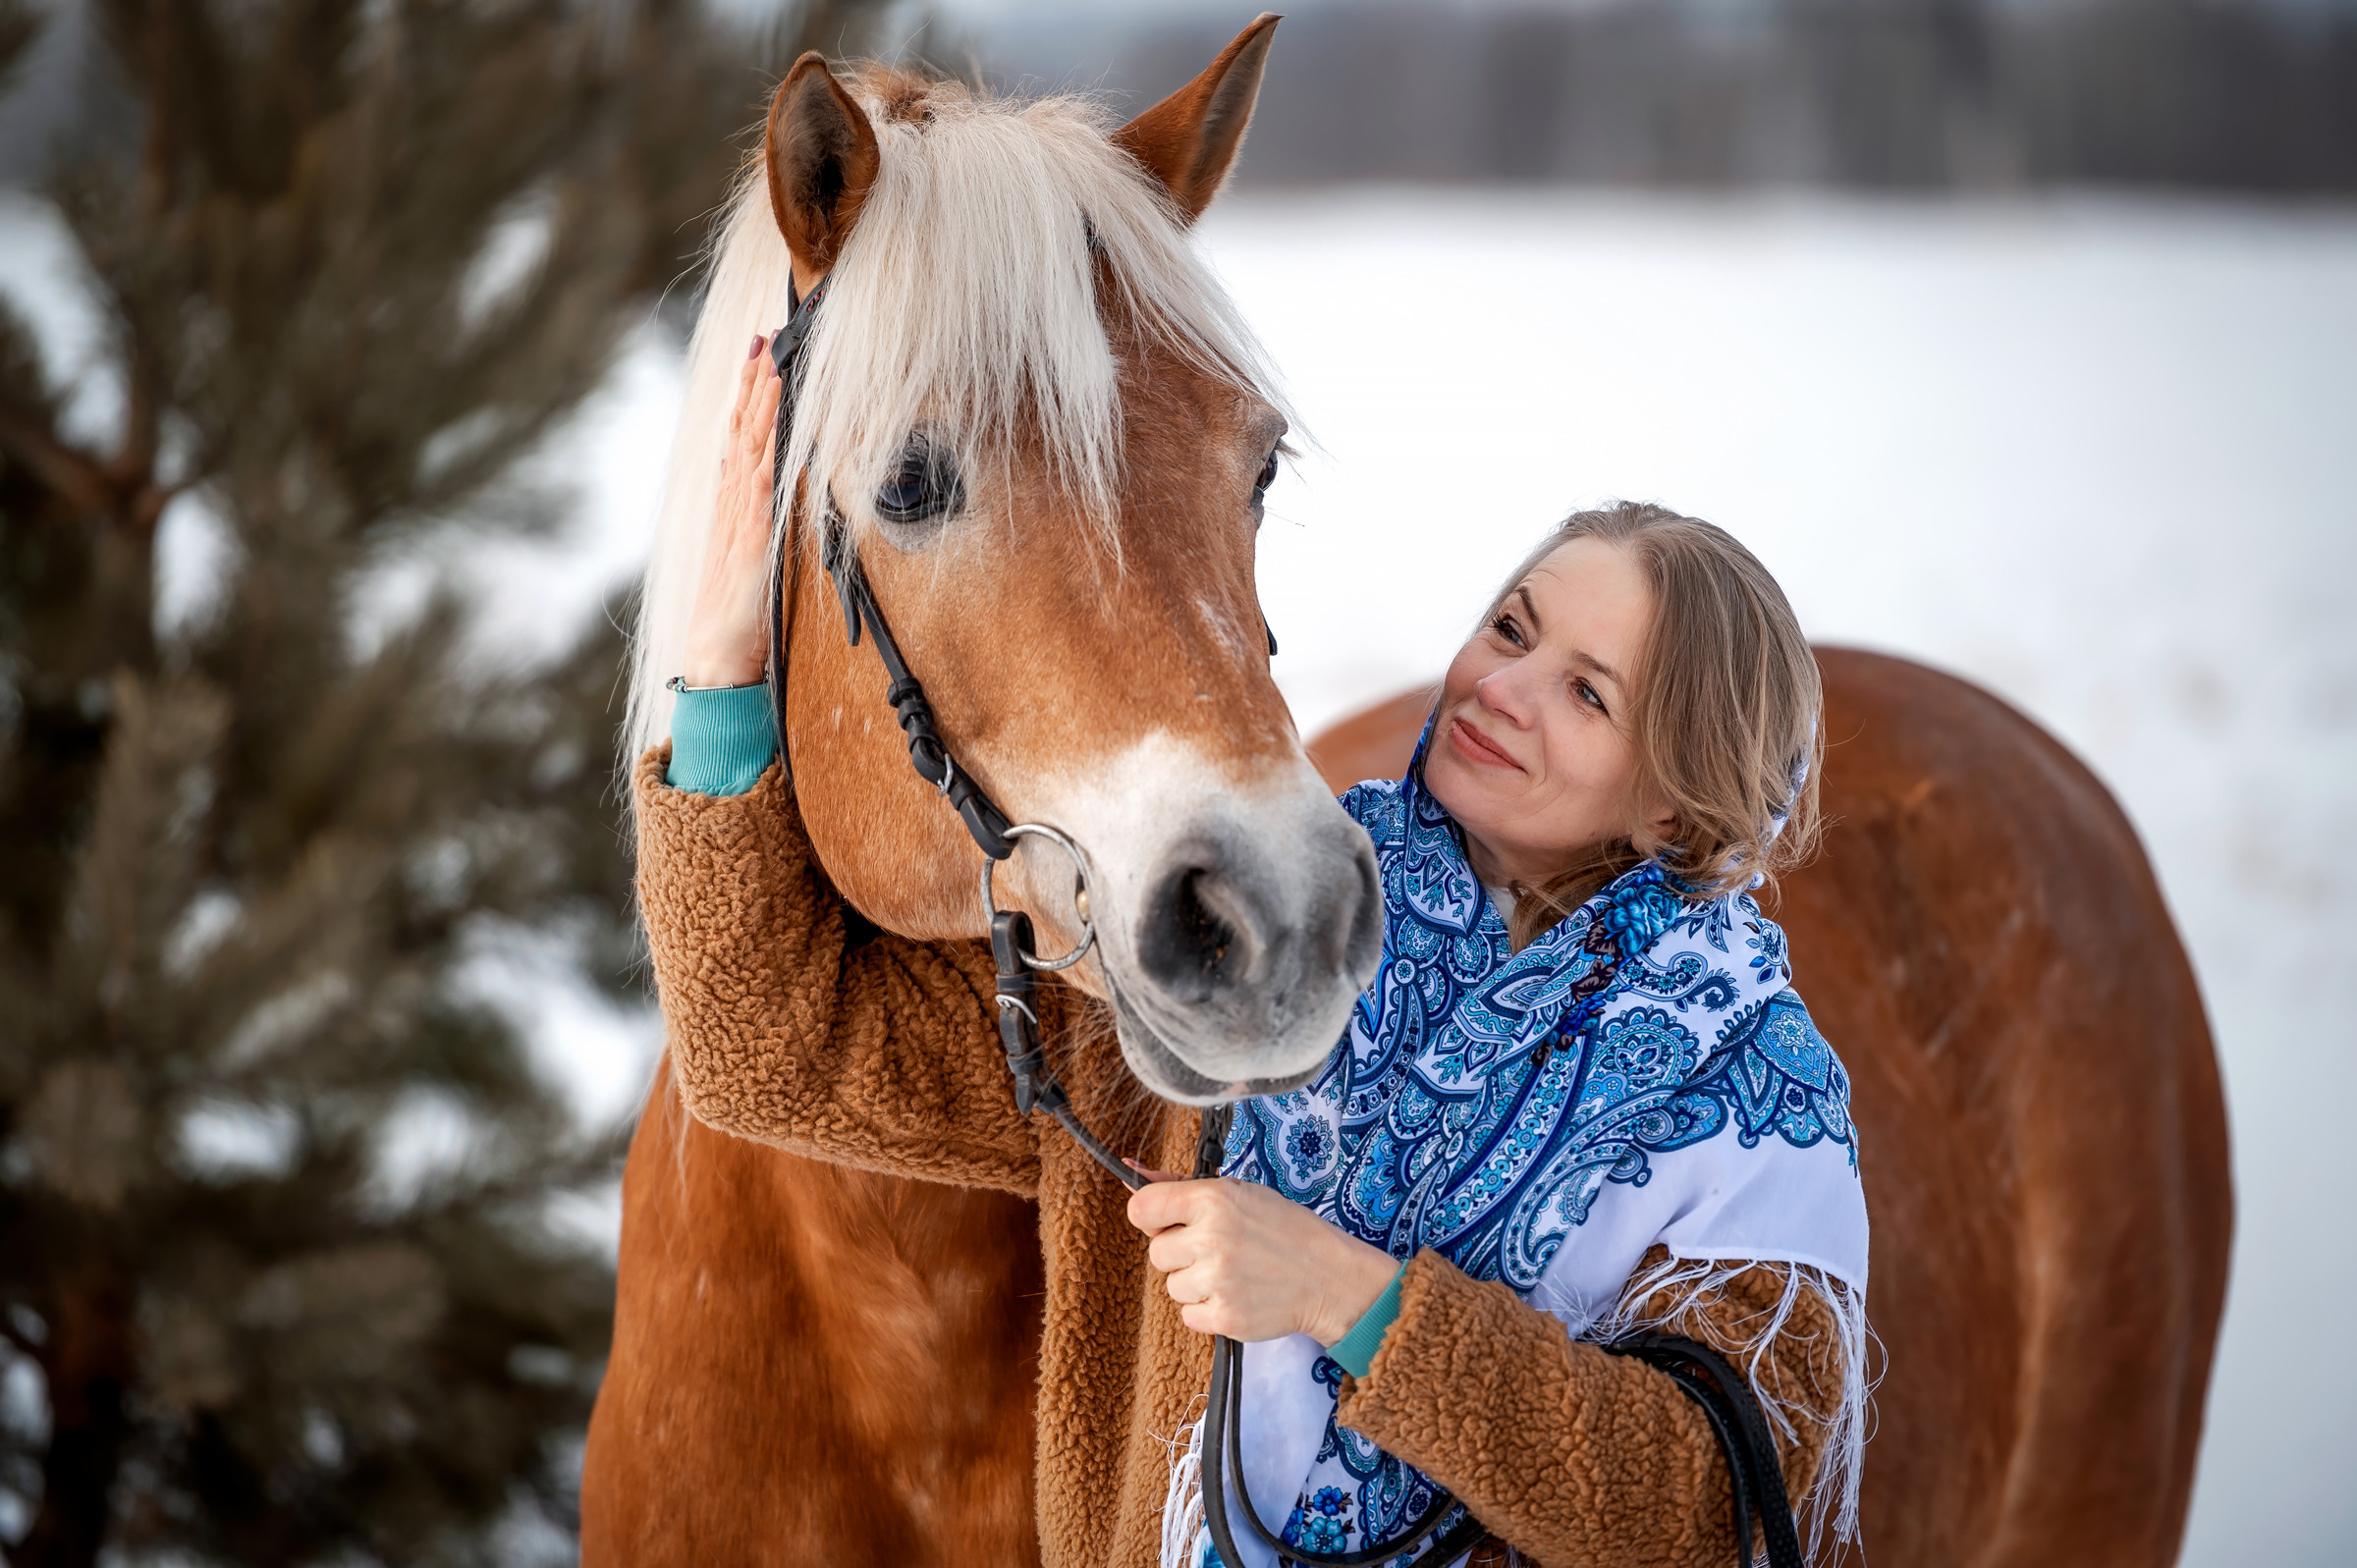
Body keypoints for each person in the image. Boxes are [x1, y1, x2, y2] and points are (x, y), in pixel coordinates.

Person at [635, 347, 1868, 1567]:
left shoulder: (1750, 1105)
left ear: (1675, 810)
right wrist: (725, 654)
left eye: (1588, 693)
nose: (1504, 688)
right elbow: (772, 1047)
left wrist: (1354, 1299)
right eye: (1510, 628)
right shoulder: (1230, 948)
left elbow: (1711, 1516)